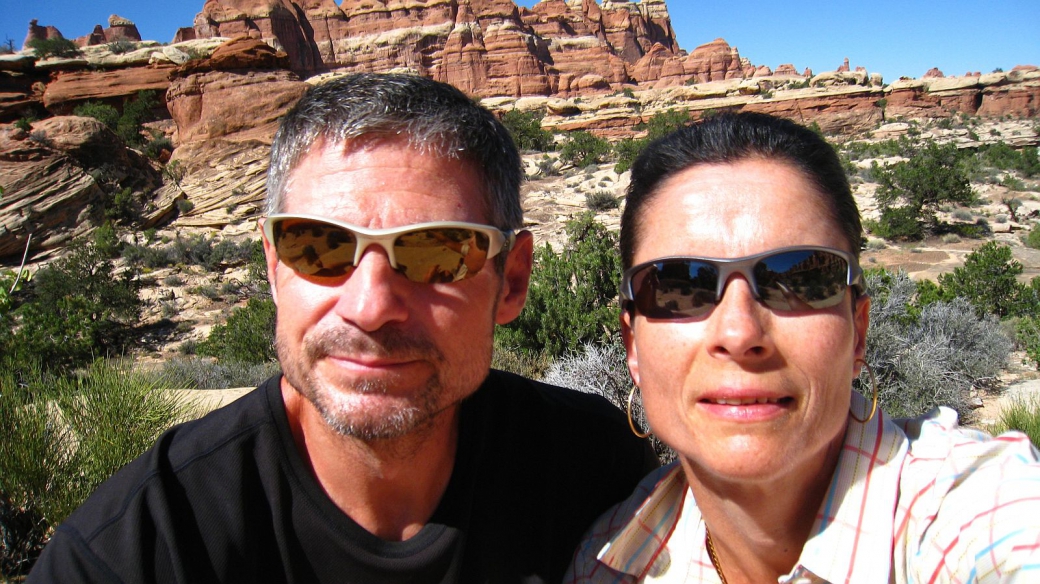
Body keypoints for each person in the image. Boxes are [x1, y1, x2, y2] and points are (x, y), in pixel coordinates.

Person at [29, 73, 657, 583]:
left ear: (511, 281)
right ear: (274, 268)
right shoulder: (142, 546)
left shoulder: (595, 477)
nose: (371, 305)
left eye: (439, 251)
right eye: (319, 247)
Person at [566, 112, 1040, 583]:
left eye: (796, 278)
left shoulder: (973, 512)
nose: (739, 333)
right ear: (632, 346)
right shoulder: (607, 563)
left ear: (858, 329)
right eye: (678, 284)